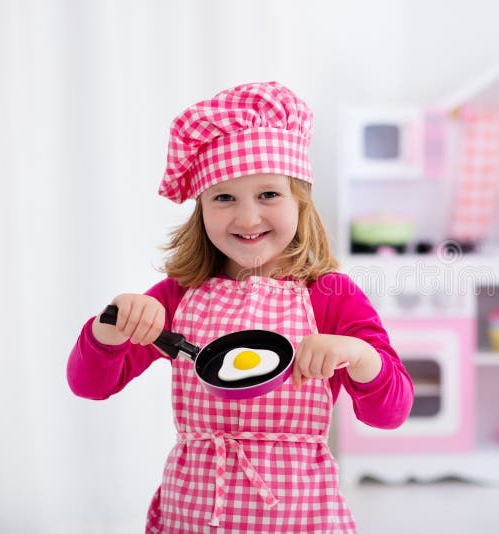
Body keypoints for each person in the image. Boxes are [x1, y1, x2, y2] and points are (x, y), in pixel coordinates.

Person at [67, 81, 414, 533]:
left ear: (300, 202)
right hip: (193, 512)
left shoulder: (330, 295)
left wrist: (362, 357)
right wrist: (109, 327)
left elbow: (390, 412)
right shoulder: (178, 296)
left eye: (268, 194)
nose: (248, 218)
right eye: (224, 197)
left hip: (299, 515)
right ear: (201, 209)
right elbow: (89, 384)